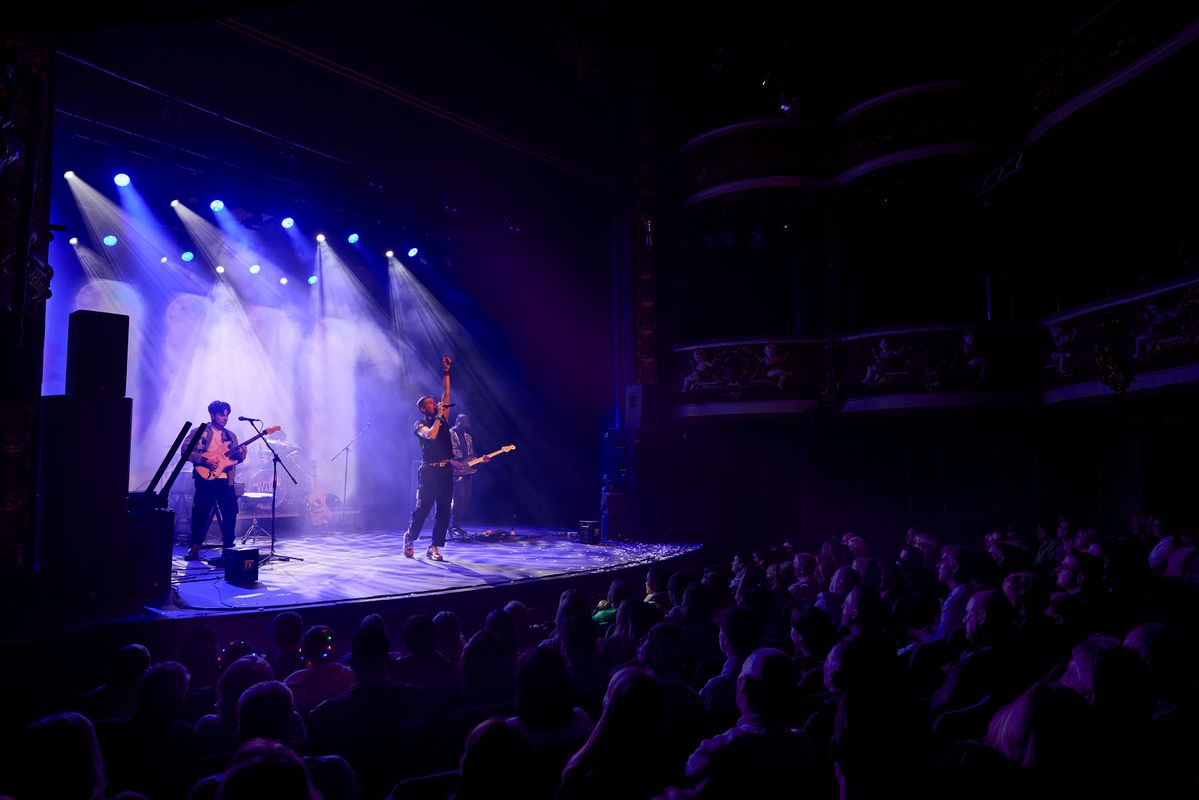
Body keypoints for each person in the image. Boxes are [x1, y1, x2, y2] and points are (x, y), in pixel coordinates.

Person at [181, 400, 247, 560]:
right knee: (200, 514)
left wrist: (242, 456)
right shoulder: (199, 431)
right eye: (221, 415)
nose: (225, 418)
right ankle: (195, 547)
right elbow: (185, 450)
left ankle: (228, 548)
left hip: (226, 480)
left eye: (227, 415)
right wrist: (205, 461)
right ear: (212, 415)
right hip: (205, 479)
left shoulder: (232, 436)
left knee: (231, 512)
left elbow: (235, 458)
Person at [405, 355, 454, 561]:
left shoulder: (441, 419)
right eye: (431, 403)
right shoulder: (420, 425)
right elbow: (431, 436)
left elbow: (447, 393)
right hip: (429, 471)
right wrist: (439, 416)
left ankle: (434, 547)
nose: (436, 404)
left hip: (445, 470)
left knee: (444, 510)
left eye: (436, 402)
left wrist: (446, 372)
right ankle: (410, 536)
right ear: (423, 408)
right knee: (423, 509)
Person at [449, 413, 489, 538]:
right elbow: (448, 452)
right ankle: (453, 526)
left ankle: (455, 525)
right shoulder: (449, 434)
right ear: (458, 422)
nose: (464, 427)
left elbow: (471, 456)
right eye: (462, 424)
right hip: (454, 471)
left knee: (466, 499)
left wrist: (481, 460)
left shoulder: (468, 437)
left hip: (467, 472)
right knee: (458, 499)